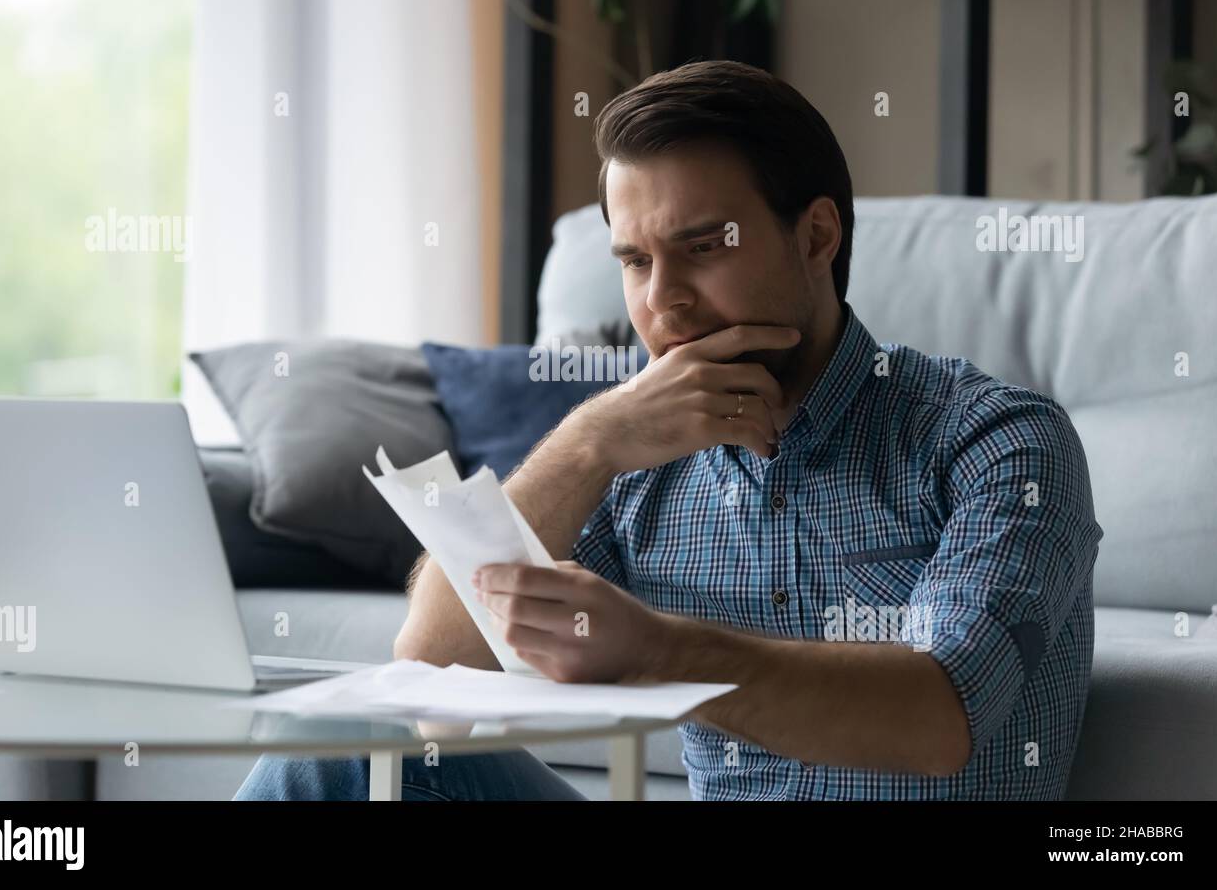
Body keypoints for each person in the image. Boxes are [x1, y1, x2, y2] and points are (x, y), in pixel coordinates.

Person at [236, 60, 1101, 801]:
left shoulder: (997, 443)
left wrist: (656, 650)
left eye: (704, 248)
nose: (664, 302)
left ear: (817, 236)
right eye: (636, 261)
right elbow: (430, 666)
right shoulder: (641, 460)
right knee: (347, 753)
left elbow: (940, 718)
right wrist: (590, 443)